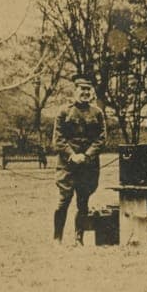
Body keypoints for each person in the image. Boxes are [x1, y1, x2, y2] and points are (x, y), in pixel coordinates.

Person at [52, 75, 107, 246]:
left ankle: (79, 238)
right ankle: (57, 238)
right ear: (75, 91)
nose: (85, 93)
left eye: (88, 90)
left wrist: (87, 155)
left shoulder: (97, 113)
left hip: (88, 166)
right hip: (67, 165)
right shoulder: (64, 111)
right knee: (63, 201)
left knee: (83, 202)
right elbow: (58, 139)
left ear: (91, 93)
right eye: (81, 90)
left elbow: (102, 138)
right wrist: (72, 155)